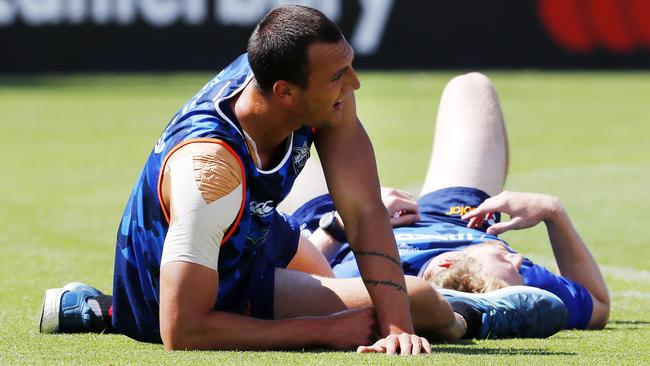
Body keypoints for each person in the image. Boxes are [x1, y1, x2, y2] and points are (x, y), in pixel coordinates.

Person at [38, 7, 568, 353]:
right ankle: (471, 319)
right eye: (339, 76)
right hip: (182, 295)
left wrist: (396, 329)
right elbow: (182, 331)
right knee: (419, 298)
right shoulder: (211, 174)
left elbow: (362, 211)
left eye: (350, 67)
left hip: (251, 234)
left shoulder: (302, 83)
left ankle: (92, 307)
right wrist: (323, 332)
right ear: (285, 93)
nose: (354, 83)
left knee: (389, 306)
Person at [283, 72, 610, 330]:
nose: (519, 258)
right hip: (457, 216)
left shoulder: (366, 279)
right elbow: (597, 304)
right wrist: (553, 212)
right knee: (471, 88)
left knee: (275, 148)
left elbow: (304, 277)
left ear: (446, 263)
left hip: (329, 225)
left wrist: (345, 222)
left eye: (507, 261)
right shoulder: (526, 285)